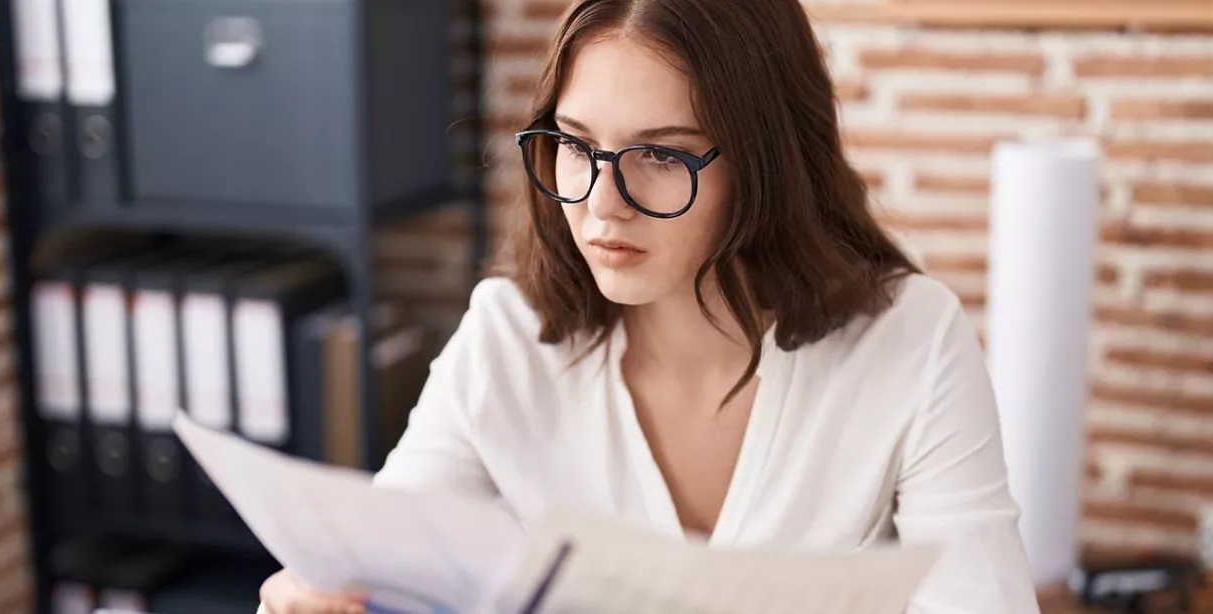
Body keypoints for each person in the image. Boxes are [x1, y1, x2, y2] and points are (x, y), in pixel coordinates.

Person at [260, 0, 1039, 611]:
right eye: (573, 145)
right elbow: (378, 564)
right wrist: (318, 597)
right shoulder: (507, 337)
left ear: (769, 160)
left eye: (661, 155)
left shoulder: (911, 341)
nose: (602, 204)